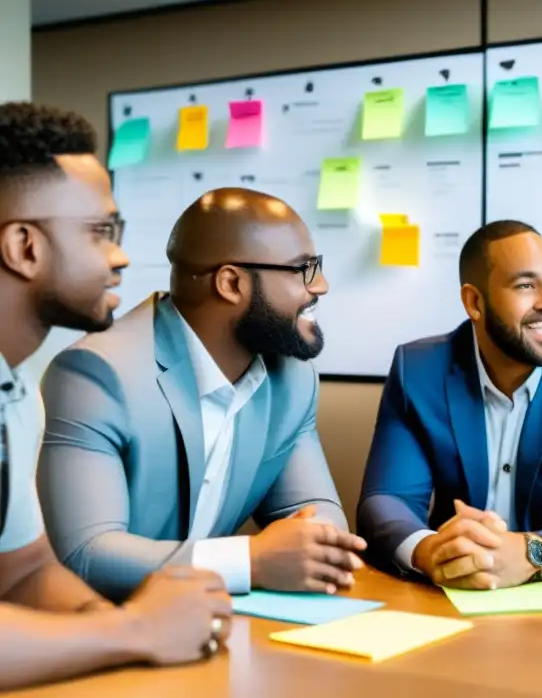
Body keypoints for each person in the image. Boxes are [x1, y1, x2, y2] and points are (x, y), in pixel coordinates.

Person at [0, 101, 233, 690]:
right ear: (25, 247)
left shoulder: (15, 392)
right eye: (101, 232)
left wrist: (111, 622)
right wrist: (134, 631)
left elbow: (21, 571)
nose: (121, 255)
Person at [38, 187, 366, 603]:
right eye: (302, 269)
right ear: (231, 283)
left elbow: (315, 509)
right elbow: (87, 555)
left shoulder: (293, 377)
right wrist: (253, 560)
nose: (320, 285)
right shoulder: (97, 376)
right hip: (100, 632)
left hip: (205, 627)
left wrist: (316, 545)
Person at [358, 220, 542, 590]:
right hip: (453, 592)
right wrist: (429, 549)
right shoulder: (419, 370)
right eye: (526, 285)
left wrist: (534, 551)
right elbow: (386, 499)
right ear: (475, 302)